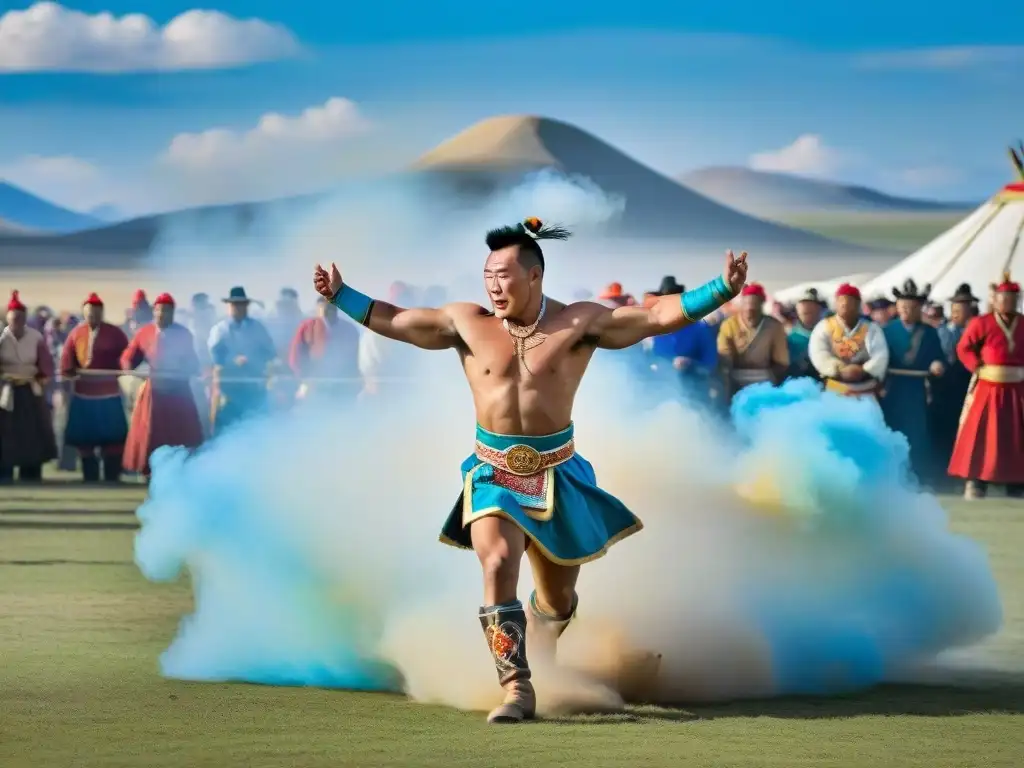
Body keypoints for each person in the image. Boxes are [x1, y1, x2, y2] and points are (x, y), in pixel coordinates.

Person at [313, 217, 746, 723]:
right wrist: (341, 295)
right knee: (497, 562)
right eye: (488, 275)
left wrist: (722, 289)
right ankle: (517, 687)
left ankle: (542, 645)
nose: (494, 285)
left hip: (560, 473)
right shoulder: (466, 322)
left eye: (505, 275)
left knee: (558, 599)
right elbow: (396, 319)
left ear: (535, 275)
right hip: (493, 472)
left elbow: (654, 318)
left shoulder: (579, 323)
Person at [948, 273, 1024, 499]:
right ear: (995, 299)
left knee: (1016, 437)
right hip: (987, 387)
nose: (1006, 302)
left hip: (1018, 389)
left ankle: (1017, 481)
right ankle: (976, 481)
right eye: (1002, 297)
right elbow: (963, 348)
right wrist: (977, 366)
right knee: (981, 435)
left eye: (1011, 298)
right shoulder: (982, 323)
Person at [121, 293, 205, 479]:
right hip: (154, 392)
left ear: (172, 313)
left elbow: (193, 362)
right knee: (151, 433)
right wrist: (129, 368)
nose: (162, 314)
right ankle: (149, 471)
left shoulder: (183, 334)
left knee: (180, 433)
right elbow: (129, 357)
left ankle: (181, 471)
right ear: (154, 311)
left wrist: (185, 369)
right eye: (159, 310)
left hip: (179, 392)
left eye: (166, 311)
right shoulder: (144, 332)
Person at [879, 279, 946, 486]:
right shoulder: (885, 331)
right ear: (897, 308)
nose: (907, 310)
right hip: (892, 388)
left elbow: (938, 357)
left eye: (912, 307)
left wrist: (937, 365)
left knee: (917, 431)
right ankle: (890, 475)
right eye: (903, 306)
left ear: (919, 309)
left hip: (917, 389)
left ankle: (918, 474)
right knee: (891, 429)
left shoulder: (929, 332)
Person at [60, 293, 131, 483]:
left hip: (108, 393)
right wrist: (68, 371)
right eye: (89, 314)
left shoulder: (115, 333)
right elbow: (67, 359)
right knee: (85, 439)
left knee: (113, 438)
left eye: (96, 313)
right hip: (83, 394)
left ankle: (112, 476)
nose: (93, 317)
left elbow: (127, 356)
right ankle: (89, 477)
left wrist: (122, 368)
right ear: (85, 314)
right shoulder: (76, 333)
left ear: (102, 312)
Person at [0, 291, 57, 482]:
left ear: (25, 318)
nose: (16, 321)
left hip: (29, 391)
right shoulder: (1, 338)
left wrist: (42, 377)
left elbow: (46, 364)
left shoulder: (36, 338)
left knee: (32, 434)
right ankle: (4, 472)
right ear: (8, 318)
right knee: (5, 434)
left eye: (20, 318)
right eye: (13, 318)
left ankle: (31, 472)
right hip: (5, 391)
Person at [207, 286, 277, 435]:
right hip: (228, 386)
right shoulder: (220, 330)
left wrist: (253, 359)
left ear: (246, 306)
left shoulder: (257, 328)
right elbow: (214, 357)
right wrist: (232, 361)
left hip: (253, 386)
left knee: (255, 426)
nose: (238, 308)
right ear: (229, 306)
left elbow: (270, 352)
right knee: (225, 426)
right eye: (234, 305)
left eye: (241, 305)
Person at [930, 284, 979, 490]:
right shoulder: (942, 331)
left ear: (970, 308)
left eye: (961, 308)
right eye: (954, 308)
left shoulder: (976, 331)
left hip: (968, 389)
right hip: (943, 391)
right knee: (943, 432)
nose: (956, 312)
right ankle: (943, 475)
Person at [808, 284, 889, 397]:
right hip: (834, 388)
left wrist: (863, 370)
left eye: (850, 301)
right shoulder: (823, 327)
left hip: (866, 388)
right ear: (836, 303)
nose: (844, 304)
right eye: (841, 301)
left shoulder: (871, 328)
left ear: (858, 304)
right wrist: (839, 369)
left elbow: (880, 355)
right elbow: (819, 352)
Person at [716, 282, 789, 404]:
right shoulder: (729, 325)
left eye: (754, 305)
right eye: (747, 304)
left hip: (765, 377)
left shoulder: (774, 326)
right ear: (742, 304)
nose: (750, 309)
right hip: (735, 376)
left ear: (761, 304)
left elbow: (781, 360)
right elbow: (724, 354)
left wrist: (774, 382)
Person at [288, 297, 362, 403]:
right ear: (317, 309)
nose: (328, 311)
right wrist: (304, 379)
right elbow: (295, 357)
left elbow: (356, 360)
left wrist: (353, 383)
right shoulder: (307, 327)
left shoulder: (349, 329)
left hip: (342, 387)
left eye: (332, 307)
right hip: (314, 385)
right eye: (324, 307)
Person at [787, 288, 826, 380]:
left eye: (811, 303)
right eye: (803, 303)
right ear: (797, 309)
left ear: (819, 308)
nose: (807, 307)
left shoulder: (830, 334)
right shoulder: (789, 338)